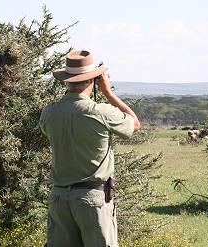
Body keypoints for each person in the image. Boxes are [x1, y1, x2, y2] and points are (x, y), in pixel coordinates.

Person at [40, 50, 140, 247]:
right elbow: (134, 124)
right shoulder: (100, 112)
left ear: (66, 80)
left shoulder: (49, 112)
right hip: (92, 199)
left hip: (59, 198)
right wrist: (108, 92)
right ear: (93, 80)